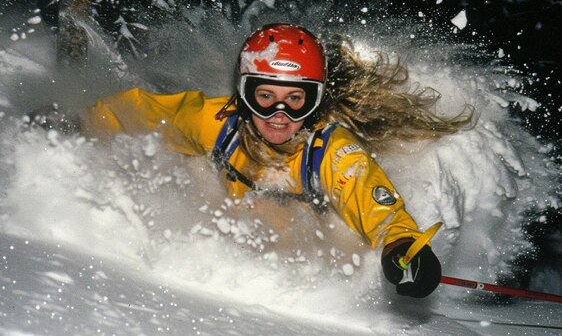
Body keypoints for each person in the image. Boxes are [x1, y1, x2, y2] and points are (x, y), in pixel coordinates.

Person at [29, 23, 473, 298]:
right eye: (265, 98)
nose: (279, 117)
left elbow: (380, 212)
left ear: (314, 103)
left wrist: (403, 251)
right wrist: (80, 122)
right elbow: (141, 112)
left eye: (295, 101)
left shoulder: (334, 153)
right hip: (232, 223)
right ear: (244, 95)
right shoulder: (212, 121)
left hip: (304, 251)